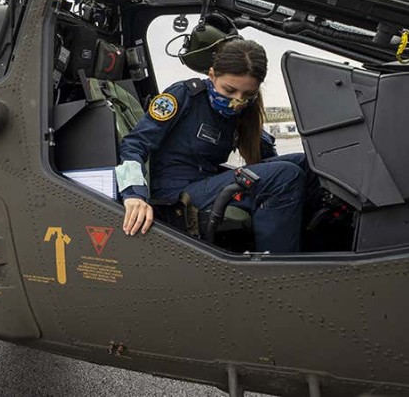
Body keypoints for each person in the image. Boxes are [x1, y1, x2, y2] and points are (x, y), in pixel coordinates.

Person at [115, 39, 309, 252]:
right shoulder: (184, 96)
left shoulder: (243, 111)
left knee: (303, 163)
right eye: (230, 90)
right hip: (177, 195)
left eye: (247, 95)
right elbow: (134, 144)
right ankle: (277, 269)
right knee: (286, 175)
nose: (237, 101)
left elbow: (264, 158)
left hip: (208, 183)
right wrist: (133, 194)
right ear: (212, 75)